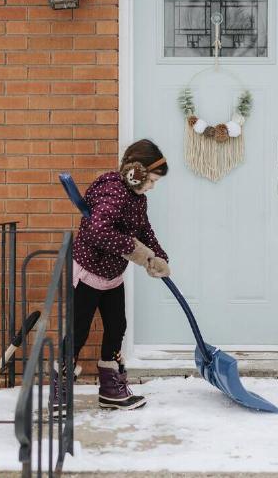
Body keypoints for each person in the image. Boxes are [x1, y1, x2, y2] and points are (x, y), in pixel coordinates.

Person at [52, 139, 170, 411]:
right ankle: (59, 390)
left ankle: (110, 389)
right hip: (88, 273)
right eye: (151, 180)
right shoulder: (112, 191)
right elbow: (98, 232)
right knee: (78, 331)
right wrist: (139, 253)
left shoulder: (138, 199)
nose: (152, 186)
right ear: (135, 173)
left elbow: (144, 231)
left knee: (117, 327)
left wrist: (159, 257)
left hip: (112, 275)